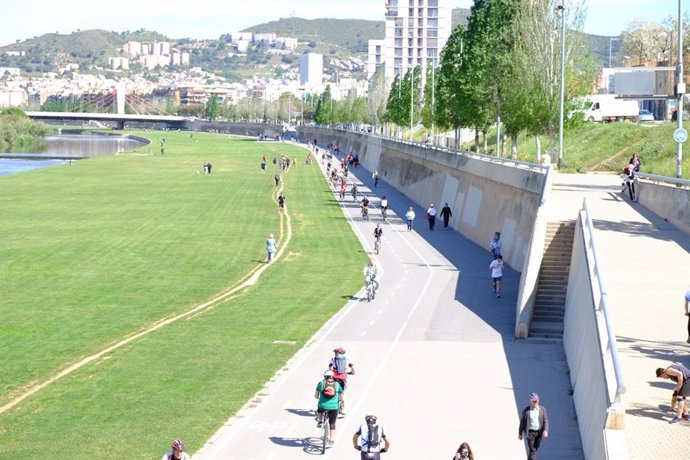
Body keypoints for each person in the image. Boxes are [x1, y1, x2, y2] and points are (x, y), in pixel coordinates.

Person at [315, 370, 343, 446]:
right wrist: (340, 400)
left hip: (323, 406)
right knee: (332, 423)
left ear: (324, 377)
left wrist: (317, 397)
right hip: (334, 407)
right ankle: (331, 440)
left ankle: (320, 421)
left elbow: (316, 396)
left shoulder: (321, 384)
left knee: (319, 409)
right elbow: (341, 394)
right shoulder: (337, 384)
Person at [518, 392, 549, 460]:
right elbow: (522, 423)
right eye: (533, 401)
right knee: (533, 450)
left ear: (538, 400)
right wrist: (520, 433)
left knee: (535, 449)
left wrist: (546, 430)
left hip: (539, 433)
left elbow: (545, 421)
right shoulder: (526, 411)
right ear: (530, 401)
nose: (535, 402)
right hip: (530, 433)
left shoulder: (542, 410)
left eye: (536, 401)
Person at [329, 348, 355, 414]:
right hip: (343, 377)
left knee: (333, 390)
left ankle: (331, 404)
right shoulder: (346, 359)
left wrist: (330, 373)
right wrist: (352, 372)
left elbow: (330, 367)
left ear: (337, 353)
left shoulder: (333, 359)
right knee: (342, 392)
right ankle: (343, 408)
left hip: (335, 377)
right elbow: (351, 366)